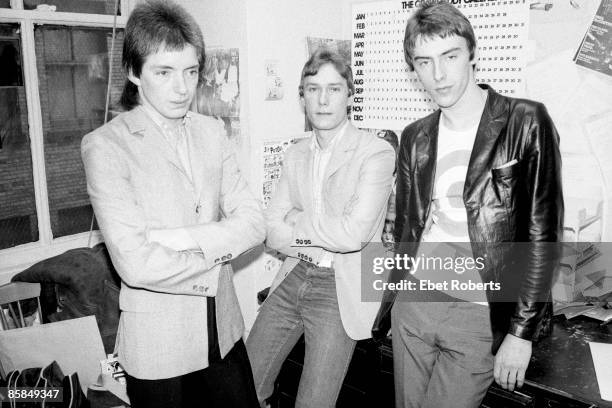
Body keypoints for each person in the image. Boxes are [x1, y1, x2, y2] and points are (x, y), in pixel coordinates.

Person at [371, 1, 564, 407]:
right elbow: (409, 229)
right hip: (416, 305)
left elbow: (543, 236)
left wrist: (520, 333)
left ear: (472, 53)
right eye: (424, 62)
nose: (438, 75)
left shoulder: (526, 121)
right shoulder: (414, 136)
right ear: (414, 69)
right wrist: (394, 301)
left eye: (450, 56)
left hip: (481, 313)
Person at [81, 1, 264, 407]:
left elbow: (254, 223)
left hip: (223, 331)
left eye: (191, 71)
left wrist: (175, 238)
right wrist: (216, 259)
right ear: (134, 72)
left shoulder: (212, 132)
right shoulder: (106, 146)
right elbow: (135, 263)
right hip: (158, 348)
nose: (182, 88)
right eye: (164, 72)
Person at [246, 47, 395, 408]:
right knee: (244, 385)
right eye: (313, 89)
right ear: (302, 97)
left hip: (340, 287)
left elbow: (353, 235)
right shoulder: (295, 153)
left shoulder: (376, 152)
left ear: (349, 95)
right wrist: (310, 236)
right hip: (294, 273)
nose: (323, 99)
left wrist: (297, 225)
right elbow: (271, 228)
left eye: (334, 89)